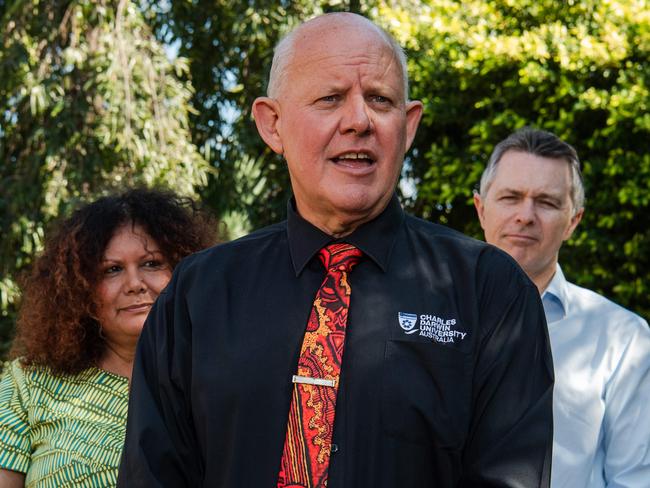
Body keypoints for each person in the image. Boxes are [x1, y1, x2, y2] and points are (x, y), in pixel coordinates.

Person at [119, 13, 553, 487]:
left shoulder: (490, 291)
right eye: (330, 98)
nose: (359, 121)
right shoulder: (197, 296)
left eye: (380, 100)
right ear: (272, 125)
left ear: (407, 127)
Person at [0, 188, 217, 488]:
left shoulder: (220, 381)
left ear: (184, 269)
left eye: (151, 263)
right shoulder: (28, 384)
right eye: (112, 270)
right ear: (80, 290)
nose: (134, 284)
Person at [473, 127, 650, 487]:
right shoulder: (431, 319)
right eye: (510, 197)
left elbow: (634, 479)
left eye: (547, 202)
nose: (525, 215)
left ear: (573, 221)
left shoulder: (624, 339)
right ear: (480, 209)